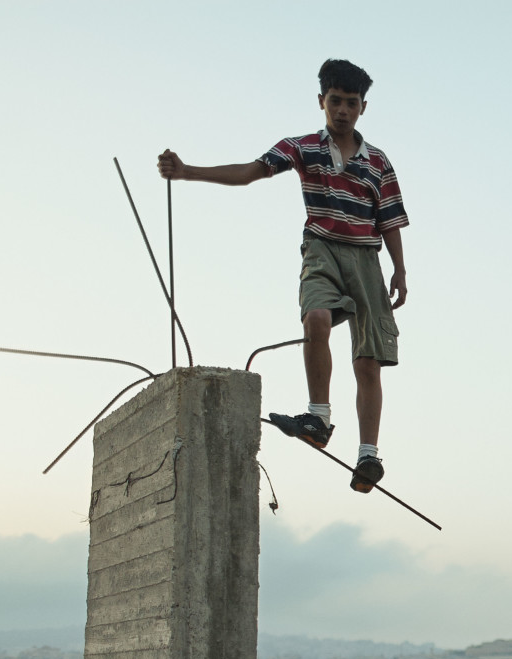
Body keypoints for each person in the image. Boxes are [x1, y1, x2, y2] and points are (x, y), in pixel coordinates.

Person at [157, 58, 409, 493]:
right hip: (321, 250)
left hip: (367, 259)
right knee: (315, 319)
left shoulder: (378, 162)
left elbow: (388, 220)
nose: (343, 111)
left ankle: (368, 456)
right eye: (335, 102)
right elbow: (251, 173)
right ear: (321, 102)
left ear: (363, 108)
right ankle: (318, 416)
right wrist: (188, 172)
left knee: (368, 362)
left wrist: (400, 269)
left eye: (351, 103)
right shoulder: (303, 147)